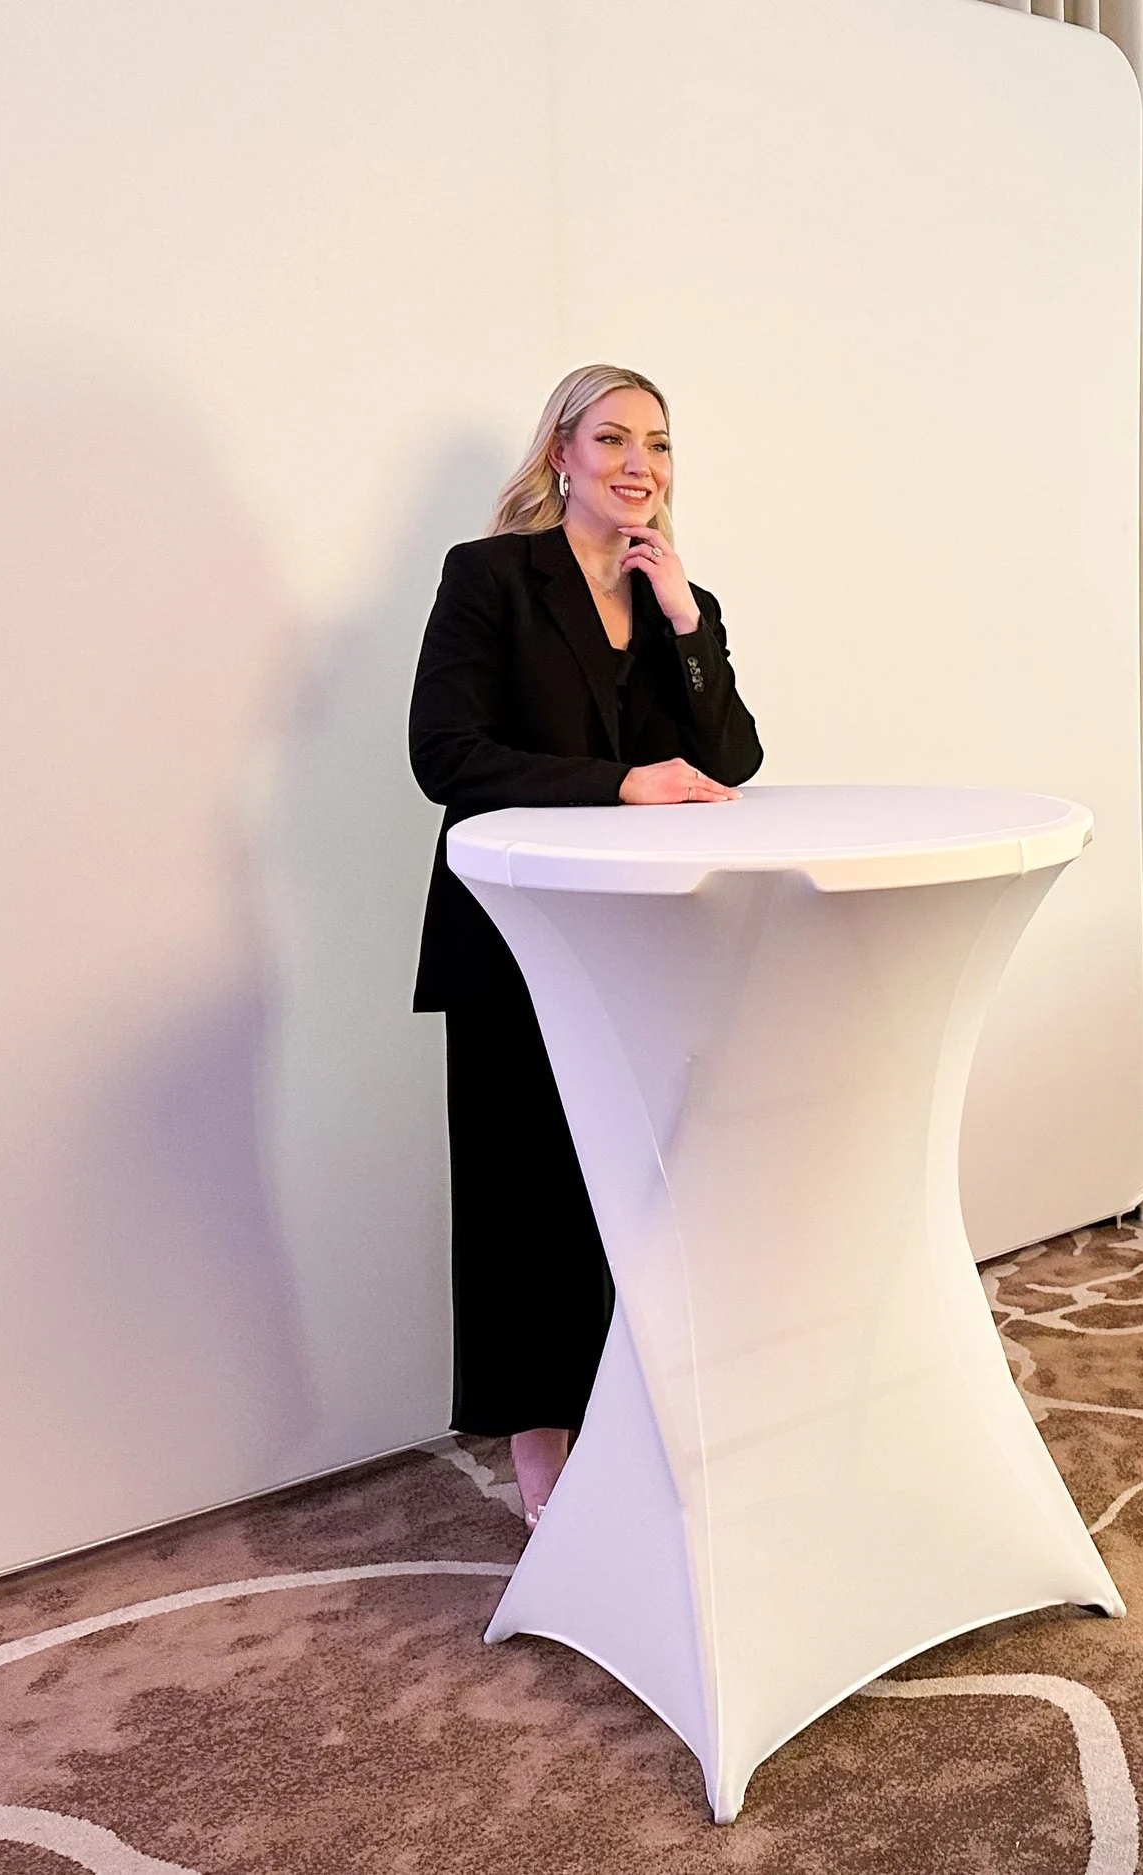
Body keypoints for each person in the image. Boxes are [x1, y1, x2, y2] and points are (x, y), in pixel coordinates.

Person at [409, 364, 763, 1528]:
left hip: (637, 945)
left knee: (633, 1179)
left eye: (657, 446)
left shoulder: (676, 598)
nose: (637, 467)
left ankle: (631, 1406)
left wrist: (687, 625)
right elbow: (446, 758)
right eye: (611, 439)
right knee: (522, 1189)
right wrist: (619, 782)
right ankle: (538, 1441)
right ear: (559, 454)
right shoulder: (492, 578)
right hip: (514, 933)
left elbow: (732, 761)